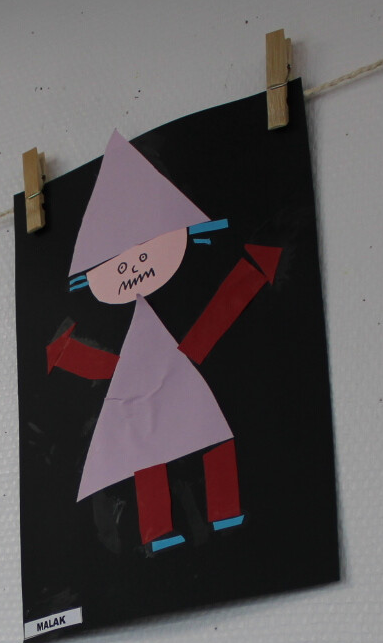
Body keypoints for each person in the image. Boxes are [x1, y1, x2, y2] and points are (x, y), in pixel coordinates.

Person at [44, 131, 281, 552]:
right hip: (151, 384)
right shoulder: (119, 319)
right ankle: (161, 531)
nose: (134, 266)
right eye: (122, 263)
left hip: (180, 370)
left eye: (142, 254)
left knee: (208, 434)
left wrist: (249, 278)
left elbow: (214, 320)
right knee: (151, 454)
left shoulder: (176, 297)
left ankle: (222, 513)